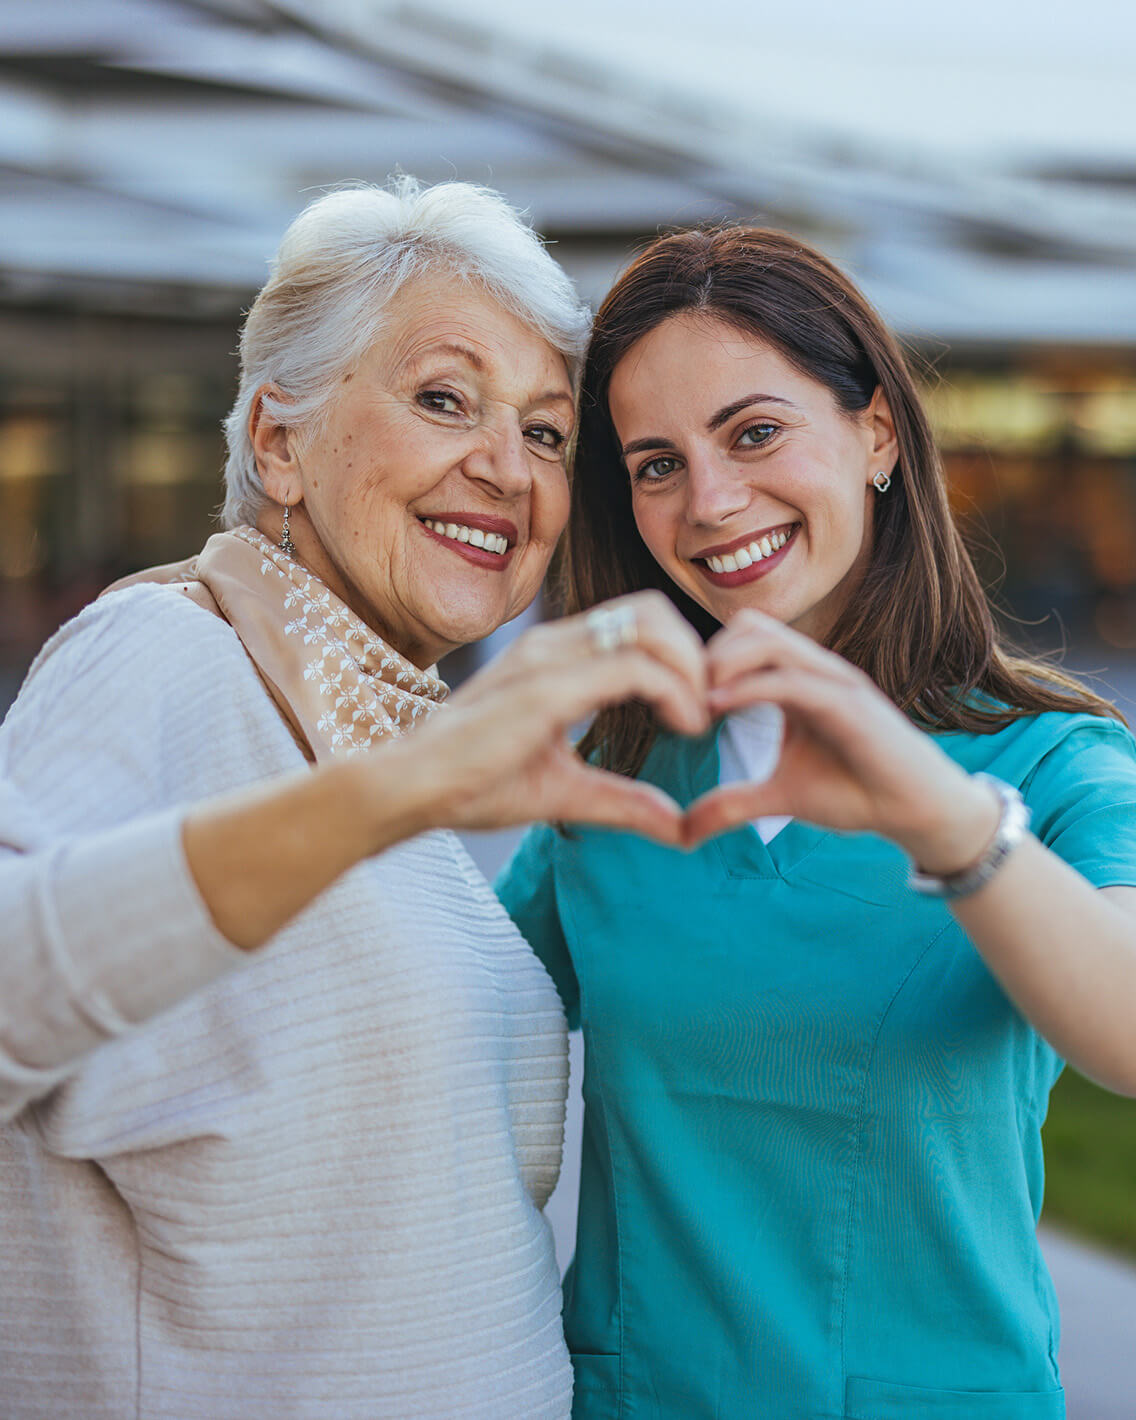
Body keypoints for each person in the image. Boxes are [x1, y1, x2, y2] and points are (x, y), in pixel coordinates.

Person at [0, 178, 712, 1420]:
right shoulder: (166, 650)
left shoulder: (362, 745)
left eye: (546, 433)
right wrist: (399, 785)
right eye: (445, 399)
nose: (506, 468)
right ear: (278, 442)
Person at [497, 226, 1136, 1420]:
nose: (710, 501)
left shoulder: (1055, 761)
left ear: (877, 434)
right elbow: (422, 1019)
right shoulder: (611, 765)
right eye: (654, 464)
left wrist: (943, 822)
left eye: (752, 432)